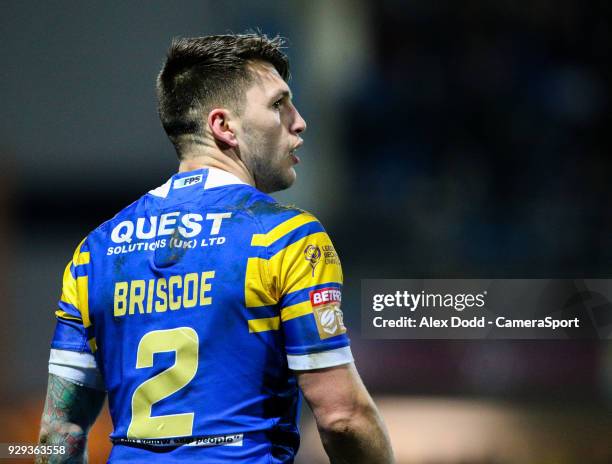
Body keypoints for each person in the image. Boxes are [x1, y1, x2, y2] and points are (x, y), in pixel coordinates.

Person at [37, 33, 394, 464]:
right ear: (223, 126)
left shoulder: (93, 254)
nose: (298, 122)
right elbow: (343, 418)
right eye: (279, 104)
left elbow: (59, 432)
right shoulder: (285, 238)